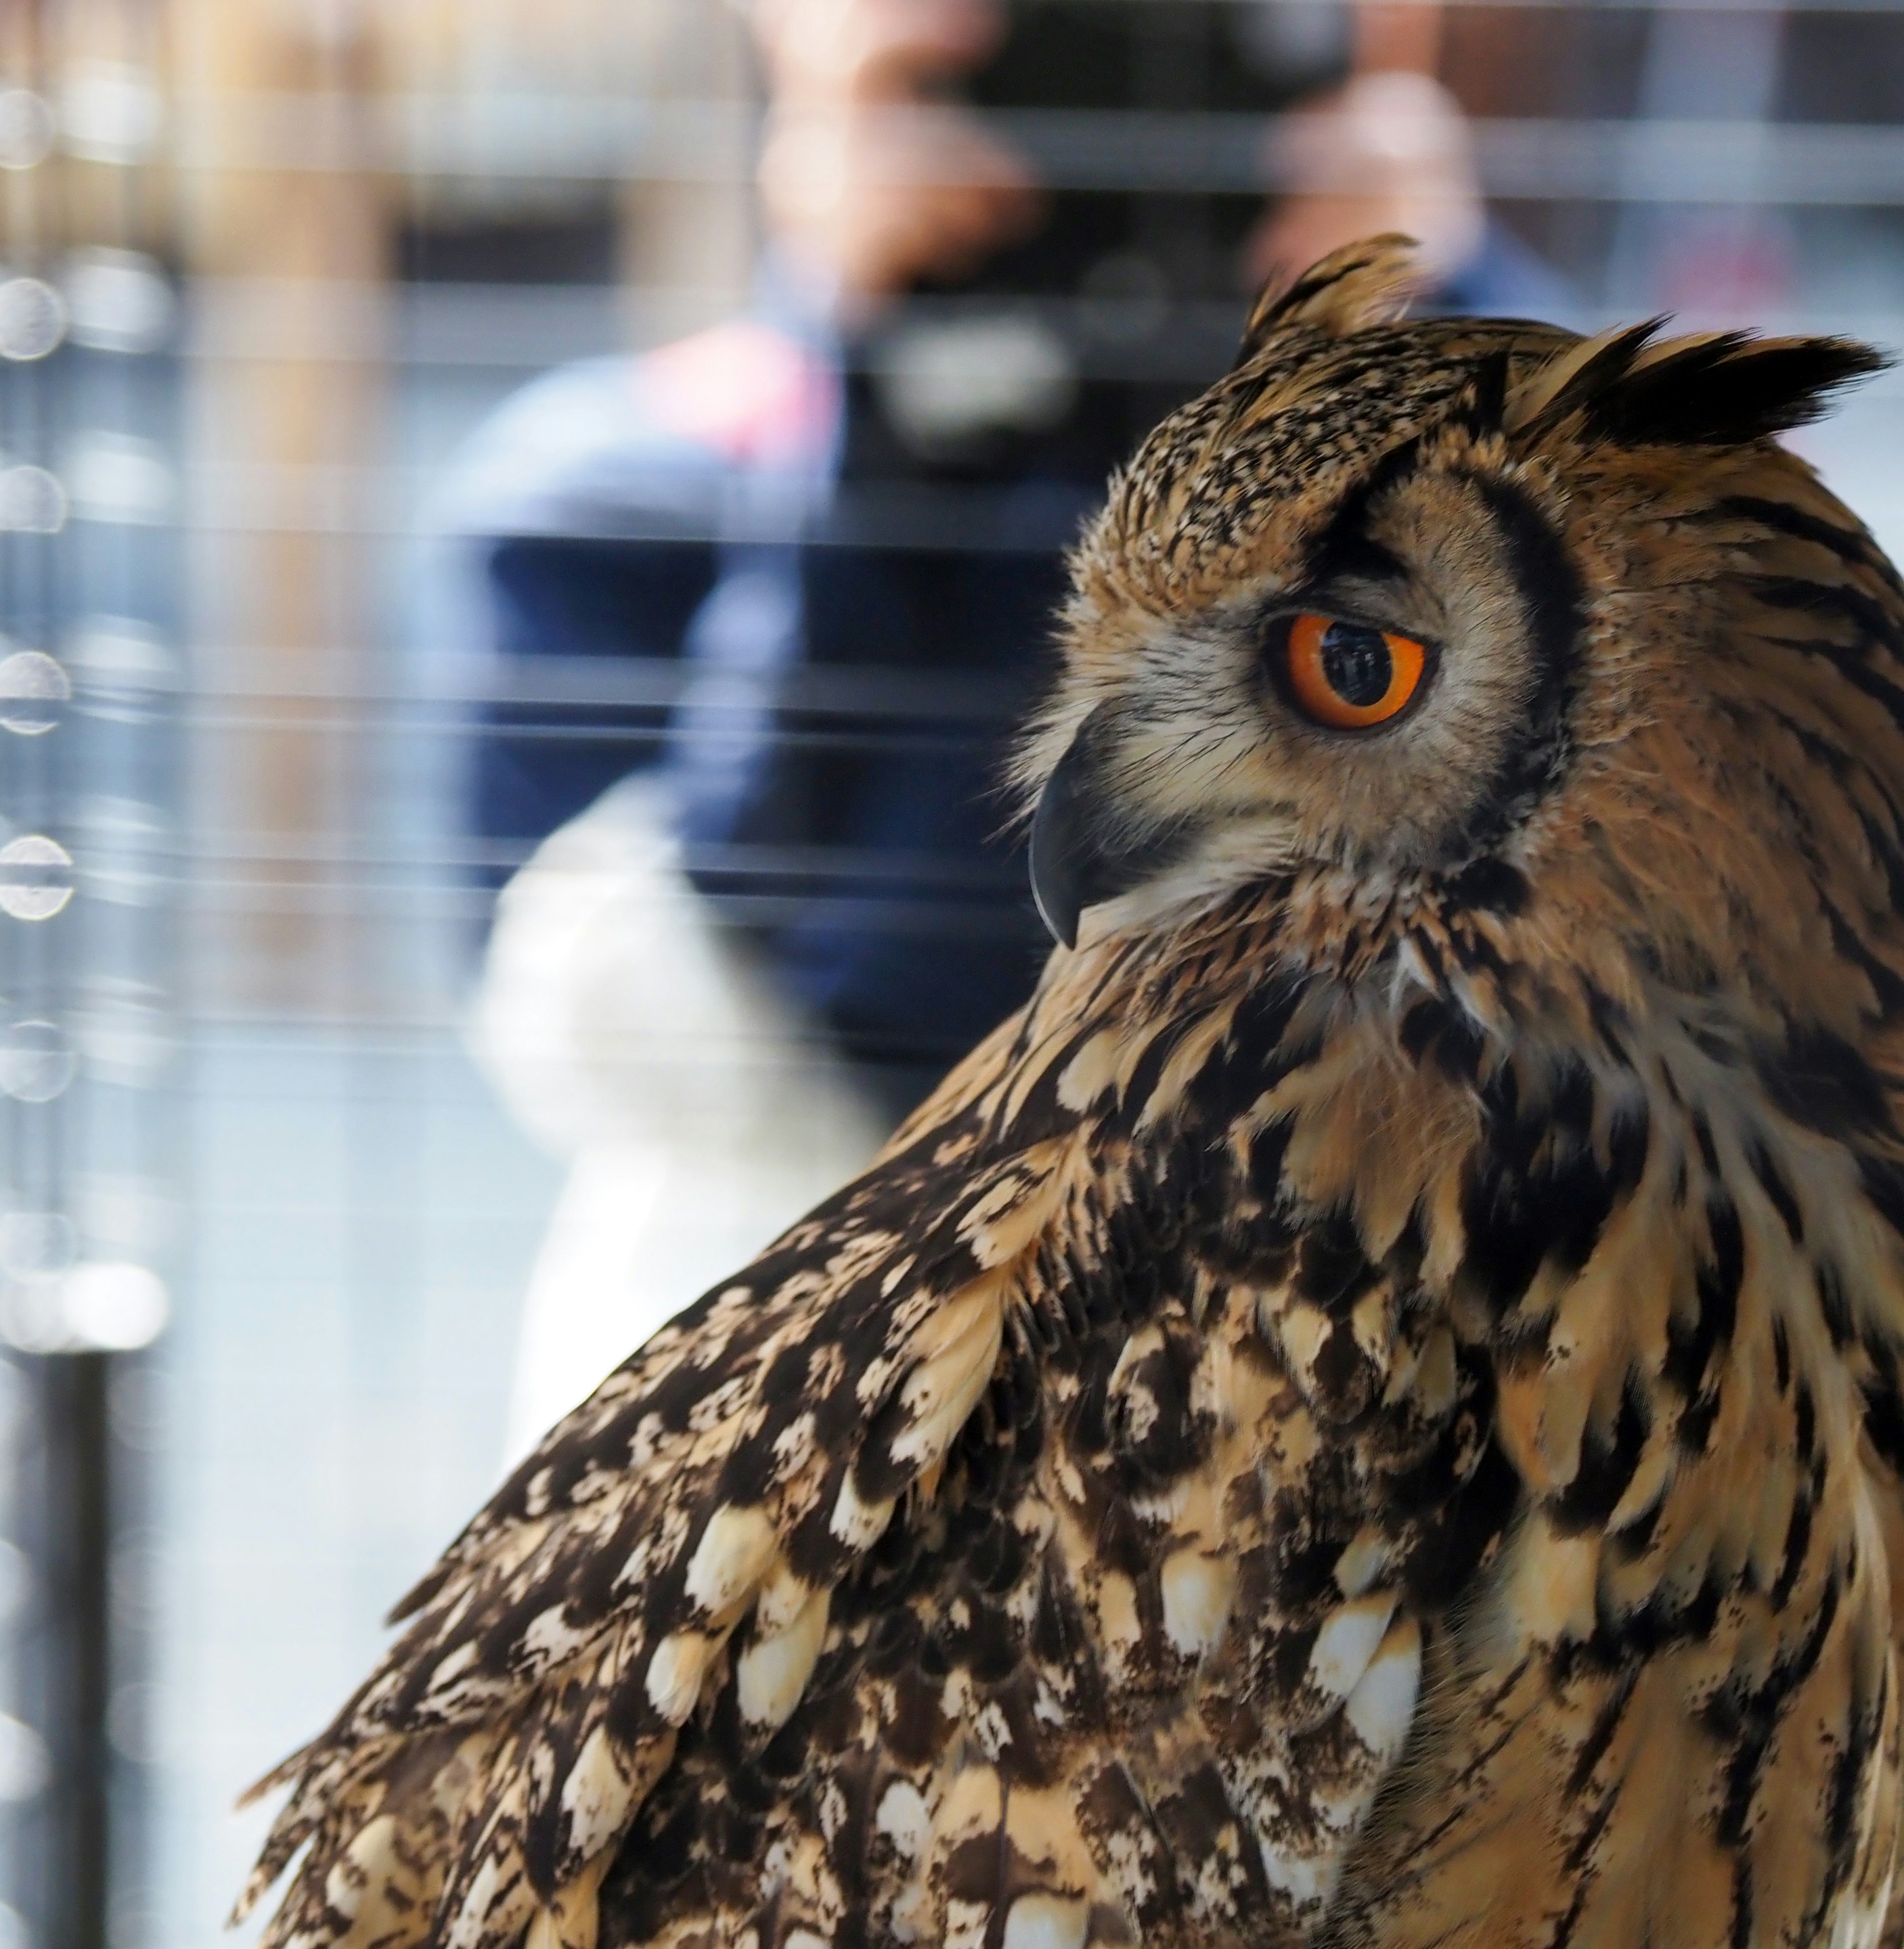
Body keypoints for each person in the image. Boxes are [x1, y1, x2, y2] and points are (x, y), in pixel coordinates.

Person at [443, 0, 1574, 1454]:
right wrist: (862, 430)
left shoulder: (1577, 453)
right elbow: (654, 1025)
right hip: (829, 1426)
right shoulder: (599, 499)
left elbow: (1707, 944)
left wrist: (1448, 352)